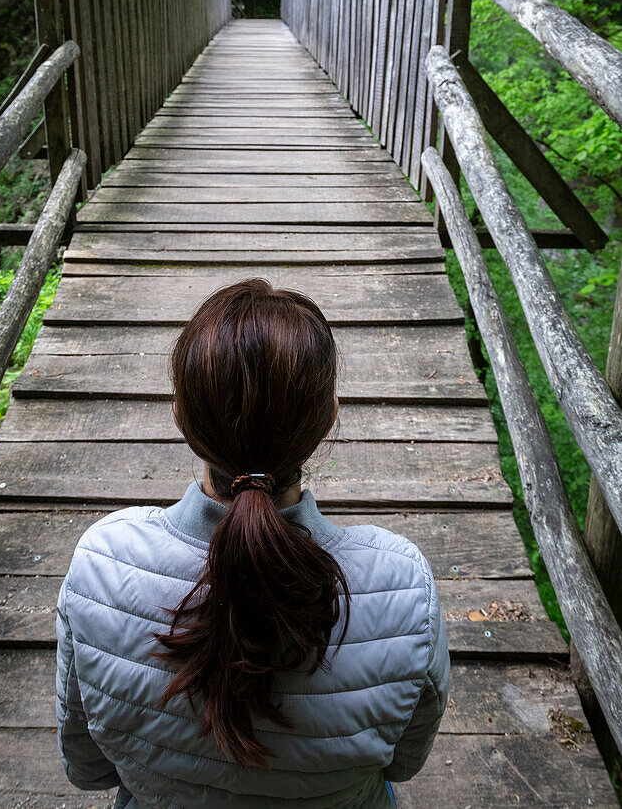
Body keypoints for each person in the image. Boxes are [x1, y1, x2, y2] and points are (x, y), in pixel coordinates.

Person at [56, 279, 450, 808]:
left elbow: (88, 769)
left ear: (183, 422)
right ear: (328, 417)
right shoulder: (403, 587)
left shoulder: (100, 567)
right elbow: (402, 762)